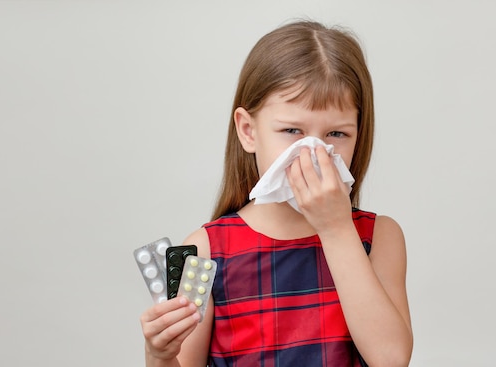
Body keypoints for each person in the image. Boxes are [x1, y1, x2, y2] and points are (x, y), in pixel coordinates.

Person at [140, 20, 413, 367]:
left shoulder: (380, 238)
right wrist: (159, 354)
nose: (313, 152)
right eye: (292, 130)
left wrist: (336, 228)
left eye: (337, 134)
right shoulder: (204, 251)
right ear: (248, 131)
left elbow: (391, 359)